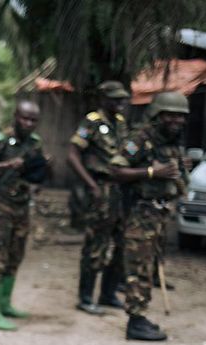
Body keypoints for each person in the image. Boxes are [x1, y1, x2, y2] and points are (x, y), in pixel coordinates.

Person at [110, 92, 189, 341]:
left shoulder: (171, 141)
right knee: (138, 267)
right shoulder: (140, 138)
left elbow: (177, 176)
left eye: (181, 116)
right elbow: (116, 169)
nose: (177, 121)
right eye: (171, 115)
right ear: (158, 115)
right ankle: (135, 320)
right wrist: (153, 172)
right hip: (140, 213)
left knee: (149, 267)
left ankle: (141, 315)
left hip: (159, 214)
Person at [0, 101, 48, 331]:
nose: (28, 123)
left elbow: (34, 171)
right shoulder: (0, 141)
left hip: (22, 205)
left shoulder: (35, 143)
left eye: (33, 120)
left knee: (17, 253)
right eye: (25, 118)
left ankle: (6, 303)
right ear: (15, 116)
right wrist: (7, 165)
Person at [67, 80, 130, 315]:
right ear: (103, 99)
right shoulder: (92, 122)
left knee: (121, 243)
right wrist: (91, 184)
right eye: (114, 99)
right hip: (101, 188)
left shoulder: (121, 123)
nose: (120, 103)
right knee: (96, 244)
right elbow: (72, 155)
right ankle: (85, 297)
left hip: (121, 190)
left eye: (122, 99)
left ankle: (108, 293)